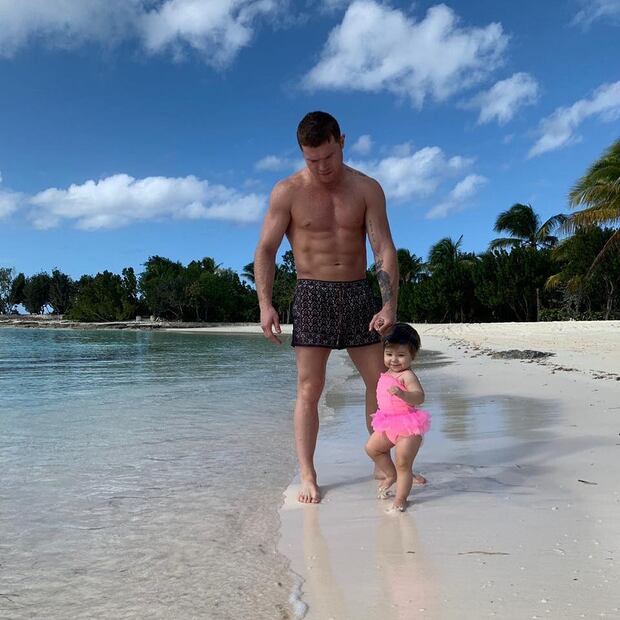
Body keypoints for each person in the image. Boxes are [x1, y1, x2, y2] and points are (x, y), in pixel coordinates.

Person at [254, 111, 420, 504]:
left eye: (328, 156)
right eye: (312, 160)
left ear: (341, 141)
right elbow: (266, 249)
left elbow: (383, 248)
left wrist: (389, 305)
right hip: (312, 294)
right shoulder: (287, 192)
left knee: (380, 382)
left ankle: (383, 462)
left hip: (358, 291)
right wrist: (265, 304)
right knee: (309, 388)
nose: (322, 167)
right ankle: (308, 474)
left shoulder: (367, 189)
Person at [365, 323, 430, 512]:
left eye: (401, 355)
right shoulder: (386, 373)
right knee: (372, 449)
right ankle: (390, 475)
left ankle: (401, 498)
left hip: (408, 427)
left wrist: (403, 395)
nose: (394, 359)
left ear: (412, 356)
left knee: (403, 463)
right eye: (389, 354)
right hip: (387, 422)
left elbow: (420, 397)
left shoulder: (407, 376)